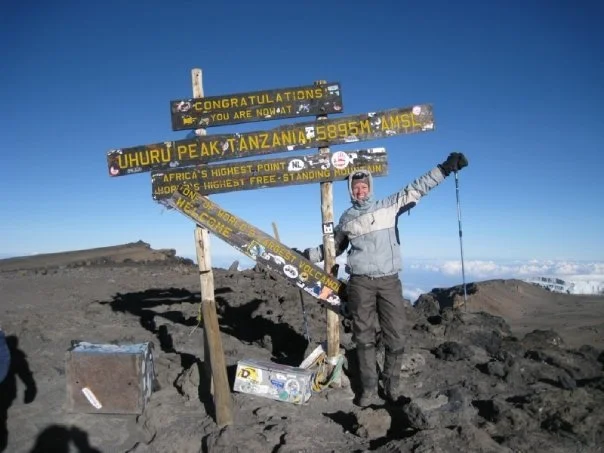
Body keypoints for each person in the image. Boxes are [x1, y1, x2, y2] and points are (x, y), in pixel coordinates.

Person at [296, 152, 468, 406]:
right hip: (360, 282)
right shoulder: (346, 219)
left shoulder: (389, 206)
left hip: (389, 281)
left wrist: (444, 168)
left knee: (396, 334)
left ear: (370, 188)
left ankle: (391, 385)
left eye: (364, 186)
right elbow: (330, 249)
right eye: (356, 188)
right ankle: (368, 390)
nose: (361, 191)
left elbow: (418, 187)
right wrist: (304, 256)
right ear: (351, 192)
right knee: (363, 337)